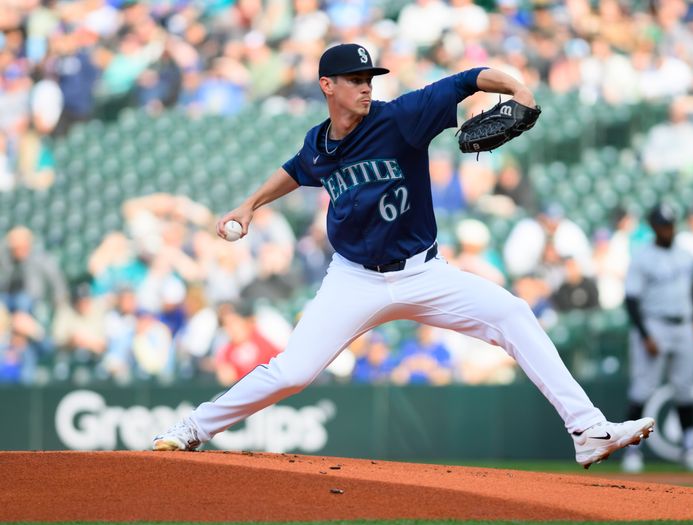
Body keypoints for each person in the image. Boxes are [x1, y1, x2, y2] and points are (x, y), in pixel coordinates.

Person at [152, 43, 654, 468]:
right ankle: (193, 428)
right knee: (293, 372)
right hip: (353, 279)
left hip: (424, 273)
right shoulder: (320, 143)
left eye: (369, 77)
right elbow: (297, 168)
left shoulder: (402, 117)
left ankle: (588, 430)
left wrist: (518, 91)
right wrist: (250, 204)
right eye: (354, 78)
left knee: (512, 314)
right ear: (327, 86)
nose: (366, 86)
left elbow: (469, 78)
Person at [621, 204, 693, 473]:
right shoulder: (642, 257)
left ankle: (689, 448)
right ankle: (632, 452)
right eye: (663, 225)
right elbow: (631, 300)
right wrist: (645, 333)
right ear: (653, 226)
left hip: (683, 325)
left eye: (670, 224)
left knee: (686, 389)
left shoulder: (686, 256)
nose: (667, 229)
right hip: (654, 324)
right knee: (642, 389)